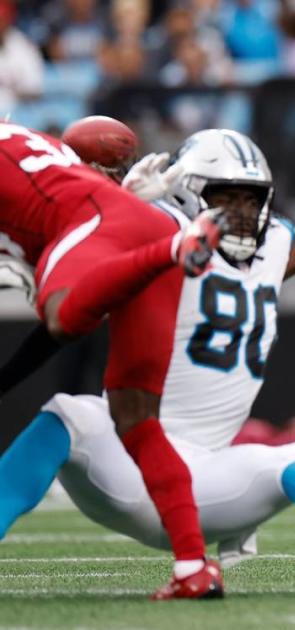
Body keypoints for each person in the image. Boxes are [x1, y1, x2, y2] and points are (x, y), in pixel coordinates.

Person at [1, 129, 295, 579]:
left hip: (205, 481)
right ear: (185, 195)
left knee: (292, 457)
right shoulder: (161, 236)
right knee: (70, 415)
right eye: (225, 198)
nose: (241, 213)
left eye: (251, 199)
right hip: (127, 461)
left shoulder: (268, 245)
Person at [0, 121, 229, 599]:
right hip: (145, 229)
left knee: (63, 316)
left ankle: (174, 247)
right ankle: (193, 568)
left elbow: (63, 323)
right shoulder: (32, 147)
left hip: (117, 231)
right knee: (137, 419)